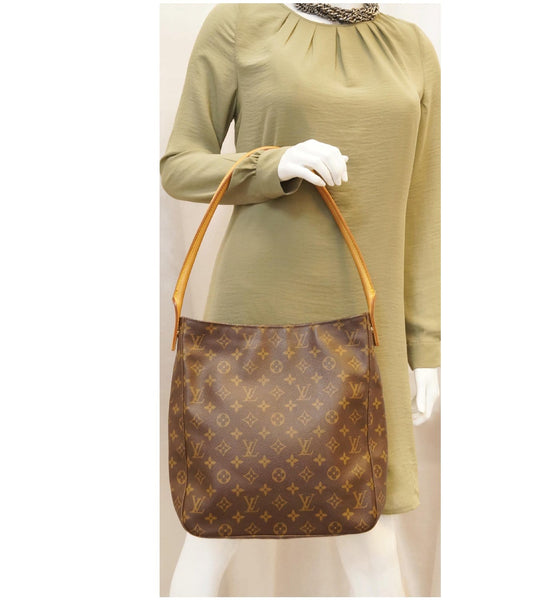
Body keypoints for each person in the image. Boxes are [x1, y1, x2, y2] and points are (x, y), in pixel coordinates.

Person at [160, 3, 440, 596]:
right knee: (215, 529)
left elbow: (423, 207)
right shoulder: (241, 24)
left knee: (374, 537)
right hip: (258, 314)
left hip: (372, 322)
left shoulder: (412, 47)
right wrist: (274, 162)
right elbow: (179, 165)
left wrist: (425, 345)